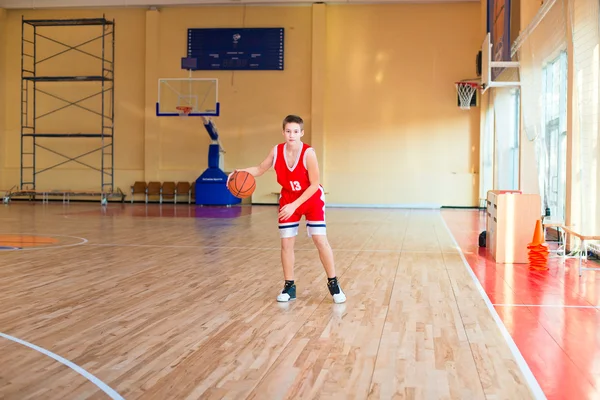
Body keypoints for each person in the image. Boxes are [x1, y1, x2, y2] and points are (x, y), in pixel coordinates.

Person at [228, 115, 346, 304]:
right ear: (283, 132)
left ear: (302, 133)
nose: (292, 135)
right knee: (286, 244)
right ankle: (289, 287)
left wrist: (295, 205)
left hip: (311, 197)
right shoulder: (276, 151)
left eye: (296, 131)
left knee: (320, 240)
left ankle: (333, 283)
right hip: (289, 197)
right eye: (288, 131)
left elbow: (314, 184)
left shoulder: (309, 153)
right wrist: (240, 172)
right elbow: (259, 169)